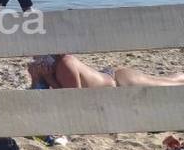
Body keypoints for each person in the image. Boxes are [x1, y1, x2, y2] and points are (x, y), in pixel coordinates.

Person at [28, 55, 184, 90]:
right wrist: (36, 78)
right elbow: (38, 94)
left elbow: (74, 102)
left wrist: (49, 77)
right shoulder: (46, 66)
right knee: (167, 80)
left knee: (170, 85)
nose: (37, 58)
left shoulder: (65, 64)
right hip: (107, 76)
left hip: (119, 81)